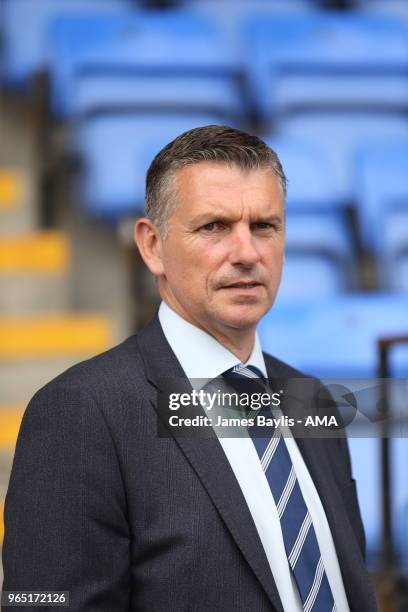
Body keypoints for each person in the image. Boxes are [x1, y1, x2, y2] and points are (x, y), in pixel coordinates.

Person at [2, 126, 377, 611]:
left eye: (264, 226)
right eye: (213, 227)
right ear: (152, 245)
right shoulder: (82, 412)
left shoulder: (310, 398)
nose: (247, 253)